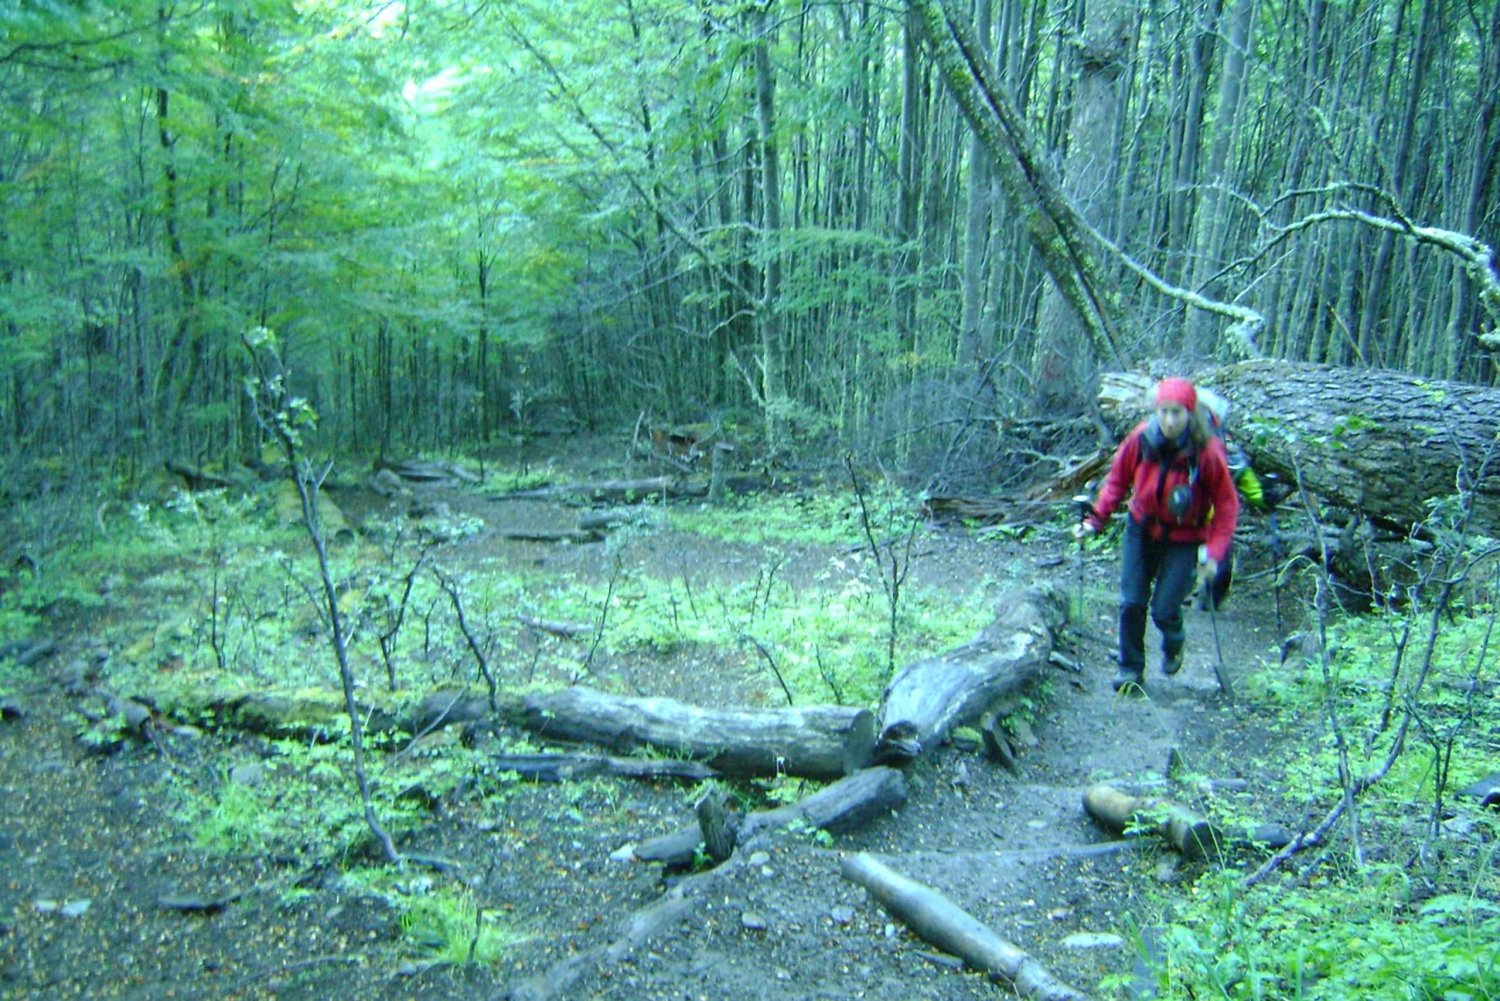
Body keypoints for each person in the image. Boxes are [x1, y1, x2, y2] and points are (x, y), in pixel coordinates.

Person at [1074, 377, 1240, 692]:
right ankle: (1130, 672)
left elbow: (1227, 507)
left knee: (1164, 608)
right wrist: (1095, 521)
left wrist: (1214, 554)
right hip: (1141, 527)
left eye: (1177, 412)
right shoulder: (1141, 439)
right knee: (1131, 601)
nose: (1169, 420)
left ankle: (1174, 638)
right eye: (1164, 412)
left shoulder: (1207, 453)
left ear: (1189, 413)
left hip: (1186, 538)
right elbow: (1117, 482)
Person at [1195, 387, 1267, 610]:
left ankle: (1210, 604)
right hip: (1186, 521)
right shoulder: (1176, 448)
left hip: (1215, 523)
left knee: (1221, 568)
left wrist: (1264, 500)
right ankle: (1195, 601)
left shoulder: (1227, 451)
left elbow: (1246, 480)